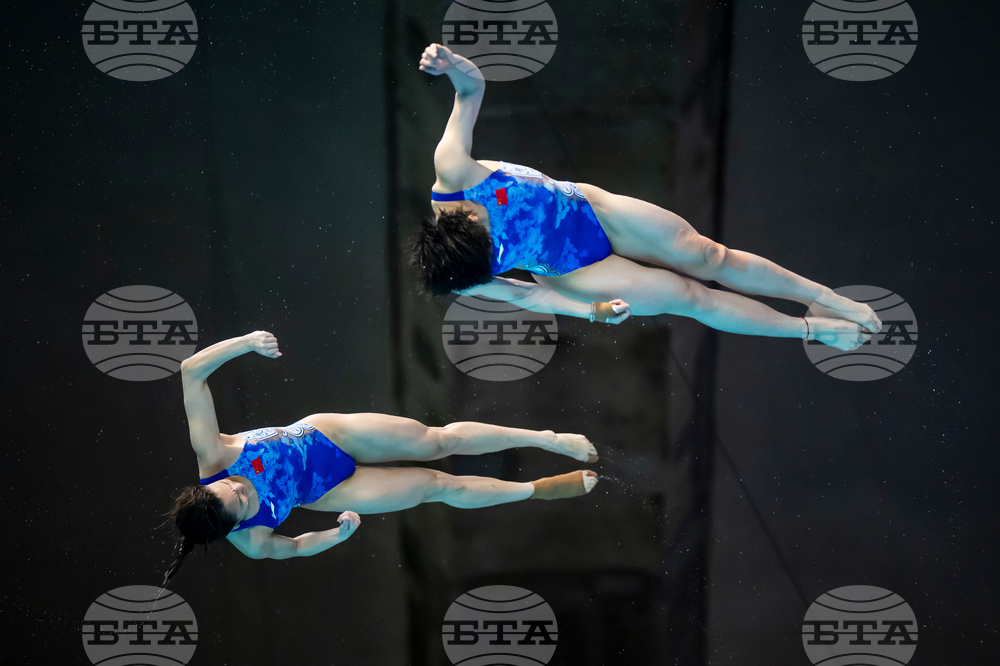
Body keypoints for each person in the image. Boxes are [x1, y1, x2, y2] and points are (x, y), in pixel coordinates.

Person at [410, 44, 882, 352]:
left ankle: (826, 298)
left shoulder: (453, 168)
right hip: (575, 269)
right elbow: (531, 295)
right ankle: (810, 330)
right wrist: (590, 312)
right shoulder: (466, 273)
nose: (498, 249)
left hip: (591, 208)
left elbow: (472, 91)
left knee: (708, 255)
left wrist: (453, 67)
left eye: (491, 242)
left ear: (467, 221)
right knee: (689, 296)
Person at [165, 330, 599, 579]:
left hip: (326, 434)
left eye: (230, 488)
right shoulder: (252, 541)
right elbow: (294, 547)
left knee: (437, 442)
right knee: (435, 486)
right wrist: (336, 537)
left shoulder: (213, 453)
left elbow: (190, 373)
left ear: (212, 483)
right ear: (236, 526)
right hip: (330, 490)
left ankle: (548, 439)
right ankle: (538, 489)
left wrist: (245, 343)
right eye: (242, 504)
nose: (241, 491)